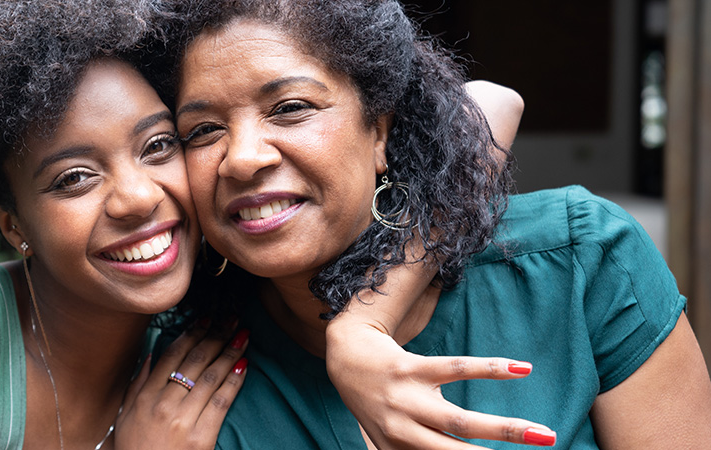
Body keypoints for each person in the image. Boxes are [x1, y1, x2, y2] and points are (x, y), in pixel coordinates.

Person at [0, 0, 548, 448]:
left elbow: (490, 104)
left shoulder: (215, 303)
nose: (136, 198)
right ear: (10, 219)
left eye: (159, 145)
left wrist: (366, 320)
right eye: (74, 178)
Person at [166, 0, 711, 448]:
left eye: (289, 108)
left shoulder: (578, 261)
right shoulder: (185, 383)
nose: (241, 159)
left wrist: (361, 325)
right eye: (203, 130)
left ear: (379, 132)